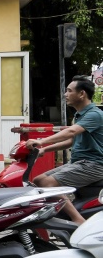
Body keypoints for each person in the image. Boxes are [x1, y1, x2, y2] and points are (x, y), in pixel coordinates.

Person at [25, 75, 103, 225]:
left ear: (82, 94)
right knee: (37, 180)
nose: (65, 94)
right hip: (81, 162)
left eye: (69, 91)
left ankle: (78, 220)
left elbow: (71, 132)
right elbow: (71, 141)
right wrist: (45, 150)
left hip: (95, 164)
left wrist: (41, 141)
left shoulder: (94, 114)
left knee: (47, 183)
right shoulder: (80, 115)